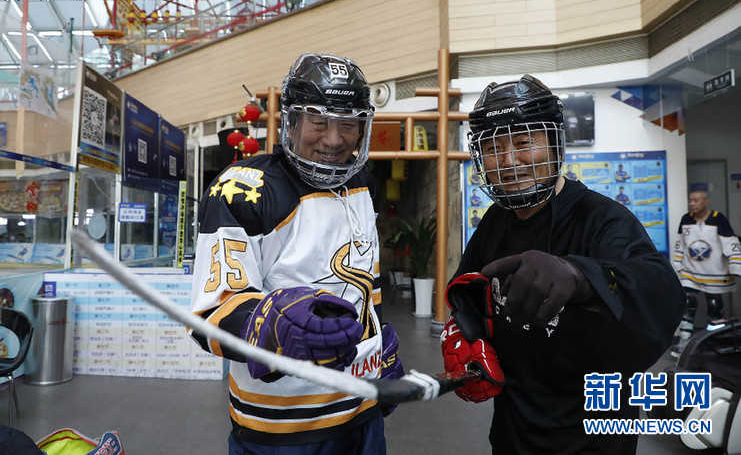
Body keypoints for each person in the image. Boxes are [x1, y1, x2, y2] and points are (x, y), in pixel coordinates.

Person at [440, 75, 684, 454]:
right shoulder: (495, 222)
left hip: (590, 439)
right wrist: (468, 339)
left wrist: (580, 277)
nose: (508, 161)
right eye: (493, 147)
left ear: (555, 143)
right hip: (513, 434)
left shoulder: (601, 219)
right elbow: (468, 290)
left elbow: (660, 289)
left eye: (523, 143)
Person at [191, 53, 403, 454]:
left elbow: (361, 285)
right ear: (292, 121)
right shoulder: (244, 189)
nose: (335, 138)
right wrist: (266, 321)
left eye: (348, 123)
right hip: (282, 430)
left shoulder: (361, 182)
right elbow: (210, 314)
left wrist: (375, 343)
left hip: (361, 409)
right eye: (319, 121)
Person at [671, 186, 741, 357]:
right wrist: (677, 264)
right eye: (690, 200)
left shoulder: (718, 219)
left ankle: (714, 341)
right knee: (688, 303)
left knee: (714, 307)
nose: (692, 204)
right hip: (690, 271)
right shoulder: (686, 219)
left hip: (714, 272)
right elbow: (680, 243)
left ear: (706, 201)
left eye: (696, 200)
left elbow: (731, 243)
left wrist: (735, 265)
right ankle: (684, 341)